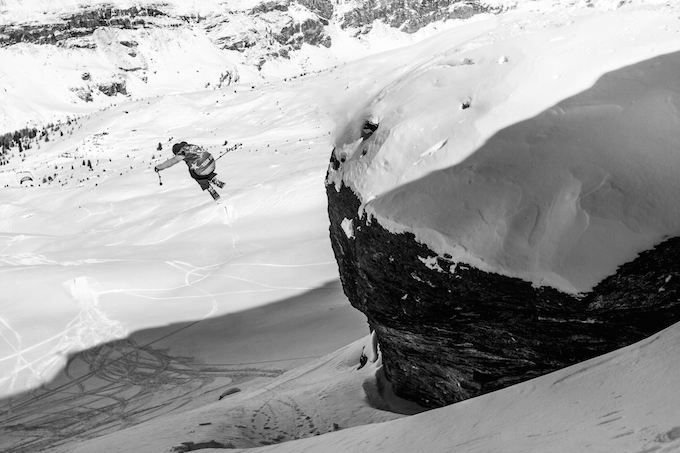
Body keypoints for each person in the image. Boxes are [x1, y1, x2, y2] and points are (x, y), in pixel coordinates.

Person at [155, 141, 225, 202]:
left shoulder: (182, 152)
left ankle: (209, 188)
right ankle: (214, 180)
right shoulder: (191, 146)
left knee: (193, 173)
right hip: (211, 162)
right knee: (199, 168)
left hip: (203, 169)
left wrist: (159, 167)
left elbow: (172, 161)